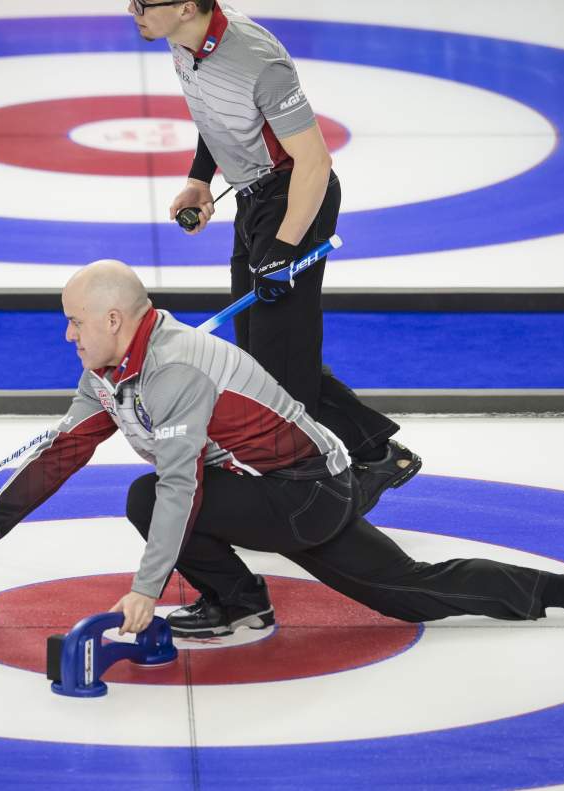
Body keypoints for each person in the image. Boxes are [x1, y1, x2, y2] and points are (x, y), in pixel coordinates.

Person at [0, 260, 564, 637]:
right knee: (407, 589)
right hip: (280, 488)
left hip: (302, 491)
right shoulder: (108, 368)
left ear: (119, 319)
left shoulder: (178, 369)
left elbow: (183, 490)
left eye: (74, 323)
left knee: (151, 493)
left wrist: (147, 589)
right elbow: (64, 450)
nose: (67, 335)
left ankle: (241, 602)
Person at [132, 0, 419, 515]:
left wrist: (284, 249)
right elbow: (216, 112)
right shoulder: (182, 41)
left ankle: (310, 486)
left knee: (277, 366)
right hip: (253, 198)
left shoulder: (257, 59)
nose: (132, 11)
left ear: (184, 7)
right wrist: (201, 178)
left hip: (294, 200)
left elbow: (314, 162)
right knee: (264, 357)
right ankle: (377, 453)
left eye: (142, 3)